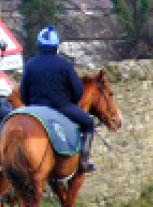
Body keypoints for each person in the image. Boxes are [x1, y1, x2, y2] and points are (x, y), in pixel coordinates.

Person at [19, 26, 96, 173]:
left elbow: (23, 93)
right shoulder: (64, 64)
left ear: (39, 44)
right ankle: (84, 160)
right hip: (61, 107)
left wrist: (31, 106)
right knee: (88, 123)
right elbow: (78, 91)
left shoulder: (29, 65)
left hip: (35, 110)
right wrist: (70, 102)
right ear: (56, 45)